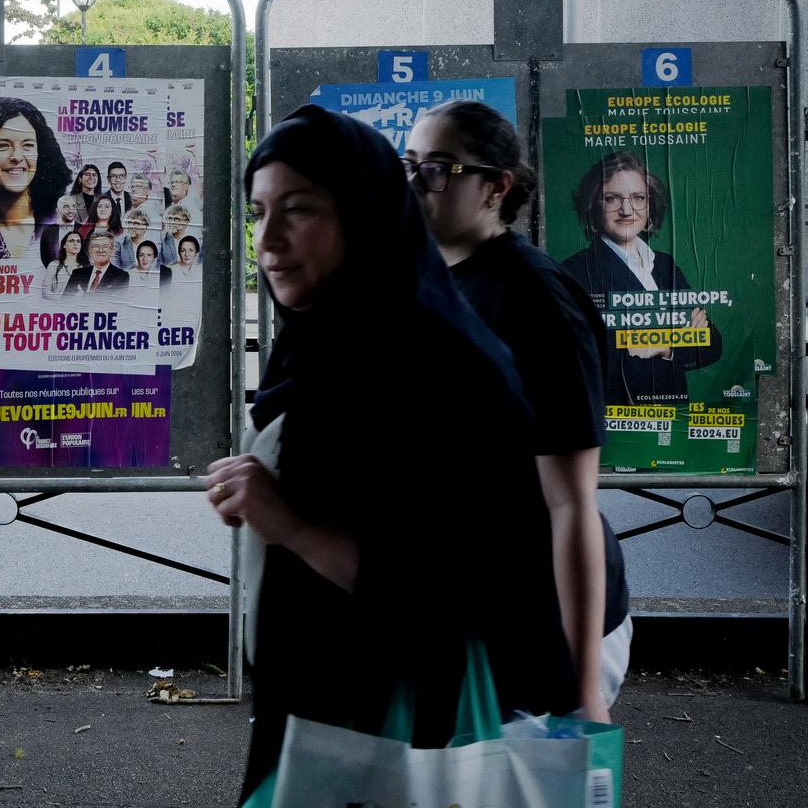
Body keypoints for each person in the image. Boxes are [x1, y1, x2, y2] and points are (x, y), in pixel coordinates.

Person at [206, 105, 576, 803]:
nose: (270, 240)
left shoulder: (435, 361)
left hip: (400, 735)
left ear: (365, 212)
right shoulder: (326, 340)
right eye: (258, 213)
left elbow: (453, 588)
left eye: (301, 209)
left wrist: (290, 524)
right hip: (321, 717)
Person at [407, 100, 632, 723]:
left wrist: (583, 691)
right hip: (466, 615)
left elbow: (571, 504)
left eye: (440, 168)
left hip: (541, 629)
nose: (416, 182)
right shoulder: (432, 279)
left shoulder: (537, 299)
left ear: (495, 187)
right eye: (411, 163)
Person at [560, 150, 722, 406]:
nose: (627, 209)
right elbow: (580, 360)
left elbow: (711, 344)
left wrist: (661, 346)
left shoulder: (665, 264)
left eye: (637, 198)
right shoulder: (573, 273)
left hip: (672, 420)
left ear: (650, 205)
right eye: (612, 198)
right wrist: (676, 335)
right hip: (615, 422)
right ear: (594, 206)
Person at [0, 97, 70, 260]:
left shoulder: (63, 216)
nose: (16, 156)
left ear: (41, 153)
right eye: (3, 146)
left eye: (28, 145)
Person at [63, 230, 130, 296]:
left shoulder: (121, 276)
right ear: (90, 250)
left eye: (105, 246)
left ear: (112, 251)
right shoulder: (77, 274)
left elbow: (116, 304)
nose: (100, 250)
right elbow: (65, 301)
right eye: (96, 246)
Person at [39, 194, 84, 268]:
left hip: (78, 276)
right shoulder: (48, 230)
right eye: (66, 207)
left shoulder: (83, 228)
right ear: (58, 210)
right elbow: (44, 257)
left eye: (73, 206)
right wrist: (54, 272)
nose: (70, 210)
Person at [43, 230, 86, 300]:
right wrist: (64, 298)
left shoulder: (85, 267)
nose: (75, 243)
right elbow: (45, 292)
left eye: (78, 241)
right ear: (64, 245)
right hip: (59, 309)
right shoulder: (54, 265)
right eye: (72, 241)